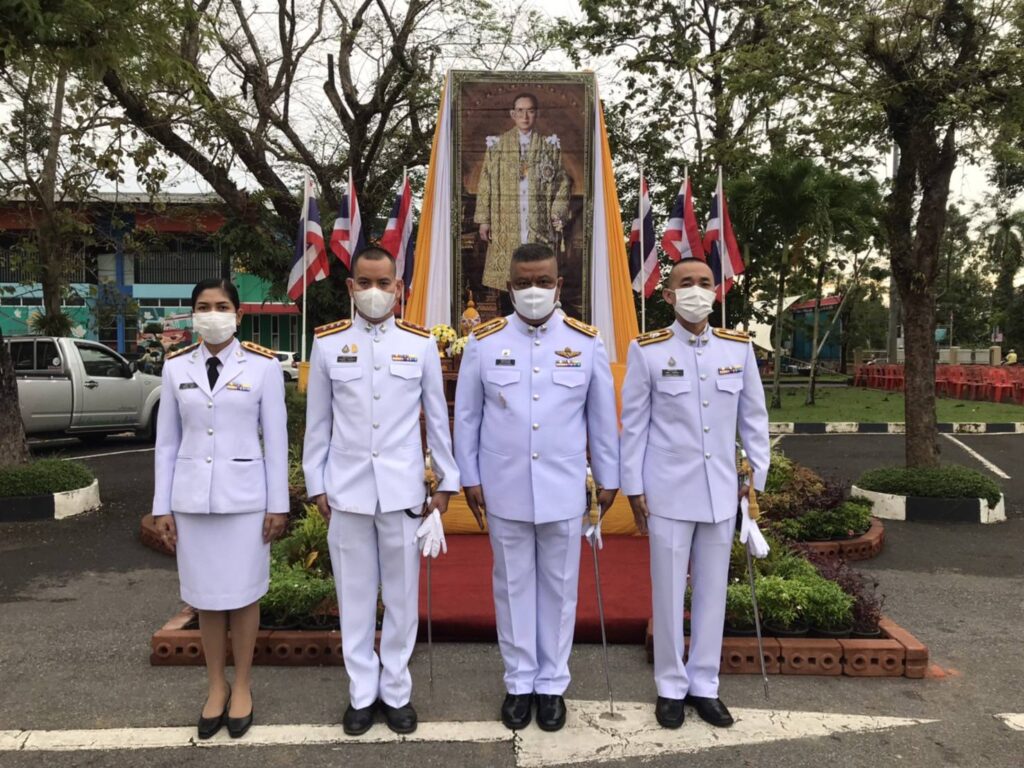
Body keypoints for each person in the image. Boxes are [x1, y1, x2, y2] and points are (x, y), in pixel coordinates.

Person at [454, 242, 619, 732]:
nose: (534, 290)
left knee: (560, 589)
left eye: (543, 281)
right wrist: (469, 477)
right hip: (503, 486)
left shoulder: (586, 342)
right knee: (512, 587)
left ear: (558, 285)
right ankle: (519, 681)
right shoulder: (484, 342)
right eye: (524, 282)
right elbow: (467, 416)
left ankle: (551, 685)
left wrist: (608, 477)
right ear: (509, 287)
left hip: (563, 487)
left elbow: (601, 419)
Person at [303, 246, 459, 736]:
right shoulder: (328, 344)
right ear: (351, 287)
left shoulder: (420, 344)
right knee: (353, 596)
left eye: (384, 283)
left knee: (401, 596)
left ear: (399, 288)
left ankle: (395, 691)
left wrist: (445, 481)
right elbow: (317, 425)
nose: (375, 291)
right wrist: (316, 484)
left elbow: (437, 419)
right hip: (346, 490)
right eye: (365, 283)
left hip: (402, 490)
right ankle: (361, 692)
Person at [619, 258, 770, 730]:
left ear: (717, 291)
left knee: (712, 593)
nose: (697, 290)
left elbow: (754, 418)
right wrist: (633, 486)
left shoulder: (737, 349)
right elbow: (634, 425)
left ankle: (705, 683)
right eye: (686, 283)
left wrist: (756, 479)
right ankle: (670, 686)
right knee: (667, 593)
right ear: (668, 295)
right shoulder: (647, 350)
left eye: (705, 283)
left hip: (721, 490)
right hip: (667, 491)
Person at [152, 278, 289, 740]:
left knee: (244, 596)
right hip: (193, 502)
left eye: (222, 306)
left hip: (246, 503)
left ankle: (243, 684)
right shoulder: (175, 367)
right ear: (193, 314)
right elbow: (166, 443)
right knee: (206, 598)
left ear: (238, 314)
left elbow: (276, 442)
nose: (213, 314)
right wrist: (161, 506)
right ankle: (216, 686)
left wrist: (278, 504)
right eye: (204, 306)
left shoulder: (263, 367)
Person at [475, 93, 571, 297]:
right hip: (506, 219)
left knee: (538, 275)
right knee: (510, 278)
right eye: (520, 111)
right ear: (513, 114)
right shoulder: (497, 146)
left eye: (530, 111)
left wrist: (557, 212)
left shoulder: (549, 146)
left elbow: (563, 182)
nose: (525, 116)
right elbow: (485, 182)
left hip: (538, 221)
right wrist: (484, 220)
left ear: (536, 114)